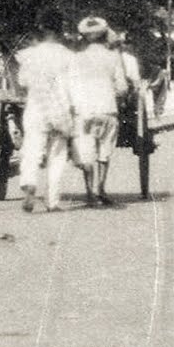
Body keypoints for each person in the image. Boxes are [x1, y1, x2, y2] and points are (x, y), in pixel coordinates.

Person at [15, 10, 76, 213]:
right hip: (60, 109)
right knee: (57, 156)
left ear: (41, 30)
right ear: (60, 31)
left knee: (32, 149)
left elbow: (22, 82)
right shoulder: (68, 56)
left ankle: (30, 183)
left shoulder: (30, 55)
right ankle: (52, 201)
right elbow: (74, 86)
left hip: (36, 107)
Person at [68, 17, 129, 206]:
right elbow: (122, 87)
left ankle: (89, 192)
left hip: (84, 111)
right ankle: (101, 188)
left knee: (86, 153)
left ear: (83, 38)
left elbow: (69, 85)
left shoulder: (76, 58)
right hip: (107, 110)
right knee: (104, 152)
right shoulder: (113, 57)